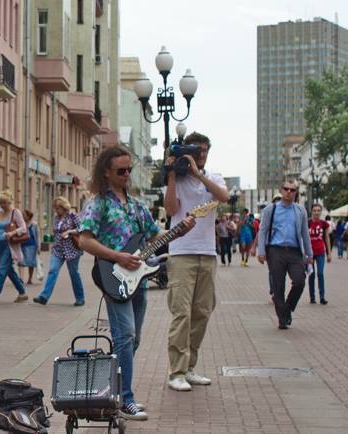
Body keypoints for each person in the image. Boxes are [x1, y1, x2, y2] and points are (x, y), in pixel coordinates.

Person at [78, 145, 195, 420]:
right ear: (106, 172)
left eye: (129, 169)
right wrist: (117, 256)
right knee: (125, 336)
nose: (127, 174)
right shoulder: (98, 203)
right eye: (121, 170)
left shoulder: (136, 205)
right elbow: (84, 240)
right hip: (113, 278)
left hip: (138, 280)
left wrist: (180, 229)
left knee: (132, 340)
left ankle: (110, 389)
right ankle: (123, 400)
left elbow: (155, 236)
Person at [162, 132, 229, 392]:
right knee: (181, 314)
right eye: (196, 150)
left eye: (204, 150)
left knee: (202, 312)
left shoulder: (213, 178)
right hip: (181, 252)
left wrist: (198, 173)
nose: (201, 154)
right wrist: (170, 174)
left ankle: (189, 368)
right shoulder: (176, 179)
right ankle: (175, 371)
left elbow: (223, 197)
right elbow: (170, 210)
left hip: (208, 253)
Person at [256, 181, 313, 330]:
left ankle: (287, 307)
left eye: (292, 190)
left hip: (294, 251)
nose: (289, 192)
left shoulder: (300, 211)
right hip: (276, 251)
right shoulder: (271, 209)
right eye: (286, 189)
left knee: (300, 281)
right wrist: (261, 252)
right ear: (281, 190)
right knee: (278, 286)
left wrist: (309, 255)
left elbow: (305, 234)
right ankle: (282, 319)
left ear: (296, 192)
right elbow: (262, 231)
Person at [33, 197, 85, 306]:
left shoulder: (73, 216)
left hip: (72, 249)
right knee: (52, 270)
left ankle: (80, 298)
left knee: (73, 273)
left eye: (57, 208)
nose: (56, 210)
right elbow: (56, 233)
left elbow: (82, 229)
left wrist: (69, 231)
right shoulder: (56, 218)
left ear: (63, 207)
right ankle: (44, 296)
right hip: (58, 249)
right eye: (55, 208)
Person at [0, 190, 29, 304]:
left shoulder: (16, 212)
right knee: (9, 270)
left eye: (4, 203)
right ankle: (22, 293)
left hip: (10, 245)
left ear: (9, 202)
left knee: (1, 270)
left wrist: (12, 233)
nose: (2, 205)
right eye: (0, 203)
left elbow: (23, 228)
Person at [308, 204, 331, 305]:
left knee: (320, 273)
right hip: (310, 253)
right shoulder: (307, 223)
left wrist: (329, 253)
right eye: (314, 210)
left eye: (318, 210)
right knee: (311, 274)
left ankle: (322, 297)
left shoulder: (324, 224)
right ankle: (312, 297)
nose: (316, 212)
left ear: (321, 212)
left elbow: (326, 238)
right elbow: (304, 238)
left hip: (321, 252)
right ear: (311, 211)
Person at [18, 210, 39, 284]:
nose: (22, 216)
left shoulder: (34, 224)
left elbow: (37, 236)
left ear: (28, 216)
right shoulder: (21, 224)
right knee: (21, 262)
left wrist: (38, 247)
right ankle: (21, 279)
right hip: (22, 245)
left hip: (31, 245)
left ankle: (30, 279)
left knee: (31, 263)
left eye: (24, 215)